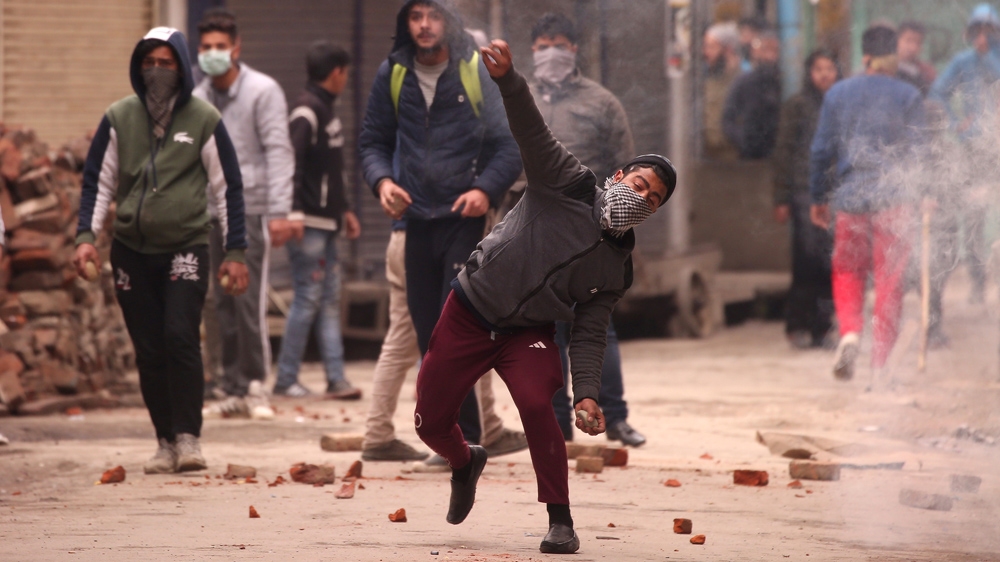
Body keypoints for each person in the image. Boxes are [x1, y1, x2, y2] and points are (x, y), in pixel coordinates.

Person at [413, 39, 675, 554]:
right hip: (469, 310)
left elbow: (590, 332)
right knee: (429, 423)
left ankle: (560, 521)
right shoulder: (566, 182)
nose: (642, 197)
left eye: (653, 199)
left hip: (527, 333)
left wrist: (589, 394)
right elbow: (531, 130)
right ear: (619, 176)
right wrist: (509, 79)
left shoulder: (617, 269)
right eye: (640, 183)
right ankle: (466, 462)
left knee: (539, 405)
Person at [73, 27, 249, 473]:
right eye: (148, 63)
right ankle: (164, 441)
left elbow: (227, 186)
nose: (156, 71)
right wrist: (85, 239)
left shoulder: (204, 119)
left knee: (180, 337)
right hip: (131, 250)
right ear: (137, 67)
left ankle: (189, 438)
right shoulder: (119, 117)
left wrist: (236, 250)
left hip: (185, 246)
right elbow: (99, 181)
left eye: (166, 63)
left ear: (183, 67)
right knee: (148, 348)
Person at [358, 0, 523, 452]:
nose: (425, 25)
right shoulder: (393, 72)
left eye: (432, 15)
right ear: (405, 23)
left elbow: (509, 145)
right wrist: (383, 181)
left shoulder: (473, 69)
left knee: (454, 333)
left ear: (447, 21)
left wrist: (485, 190)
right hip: (414, 222)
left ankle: (464, 437)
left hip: (463, 221)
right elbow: (372, 141)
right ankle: (456, 439)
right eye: (416, 16)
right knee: (430, 335)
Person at [527, 12, 645, 447]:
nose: (549, 53)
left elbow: (627, 170)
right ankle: (557, 424)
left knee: (597, 325)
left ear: (573, 49)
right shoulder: (521, 99)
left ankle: (615, 416)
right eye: (540, 46)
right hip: (534, 228)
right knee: (545, 329)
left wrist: (621, 232)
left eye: (556, 43)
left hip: (591, 227)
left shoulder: (602, 103)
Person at [193, 9, 296, 419]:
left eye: (220, 46)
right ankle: (230, 384)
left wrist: (279, 210)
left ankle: (256, 383)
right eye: (206, 48)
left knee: (248, 299)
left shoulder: (262, 91)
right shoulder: (198, 97)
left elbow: (278, 150)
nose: (213, 54)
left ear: (236, 48)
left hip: (251, 209)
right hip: (208, 211)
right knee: (219, 301)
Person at [810, 25, 926, 383]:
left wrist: (817, 197)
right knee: (889, 280)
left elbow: (820, 151)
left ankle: (849, 334)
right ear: (893, 58)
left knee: (847, 270)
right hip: (895, 201)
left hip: (850, 198)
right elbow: (920, 154)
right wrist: (923, 195)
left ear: (864, 56)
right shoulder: (908, 95)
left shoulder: (838, 93)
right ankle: (880, 364)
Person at [269, 42, 363, 398]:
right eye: (346, 72)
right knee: (308, 297)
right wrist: (292, 213)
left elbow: (331, 170)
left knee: (326, 300)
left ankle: (336, 379)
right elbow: (290, 166)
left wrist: (346, 209)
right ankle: (286, 379)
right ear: (337, 72)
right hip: (307, 224)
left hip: (327, 224)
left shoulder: (326, 111)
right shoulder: (306, 112)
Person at [927, 3, 1000, 323]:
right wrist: (956, 121)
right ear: (969, 33)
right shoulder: (961, 61)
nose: (982, 36)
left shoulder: (993, 60)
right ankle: (977, 280)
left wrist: (988, 55)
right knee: (973, 215)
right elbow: (937, 92)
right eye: (977, 31)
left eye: (989, 30)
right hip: (973, 148)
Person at [772, 49, 840, 349]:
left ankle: (823, 328)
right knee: (805, 261)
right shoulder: (797, 106)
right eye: (818, 69)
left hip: (836, 194)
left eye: (829, 68)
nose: (824, 74)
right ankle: (797, 324)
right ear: (809, 73)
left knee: (831, 262)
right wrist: (781, 197)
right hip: (803, 193)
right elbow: (784, 153)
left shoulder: (841, 103)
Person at [722, 30, 782, 159]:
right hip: (749, 155)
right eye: (765, 49)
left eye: (774, 50)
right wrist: (744, 141)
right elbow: (728, 119)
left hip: (778, 154)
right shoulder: (744, 83)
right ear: (755, 52)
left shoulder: (785, 82)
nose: (769, 56)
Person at [702, 22, 743, 161]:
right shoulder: (703, 81)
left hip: (734, 158)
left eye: (712, 47)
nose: (706, 52)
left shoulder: (743, 81)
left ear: (728, 49)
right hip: (707, 157)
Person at [896, 20, 937, 96]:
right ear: (897, 40)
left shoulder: (927, 72)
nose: (913, 47)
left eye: (918, 42)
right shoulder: (886, 70)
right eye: (908, 40)